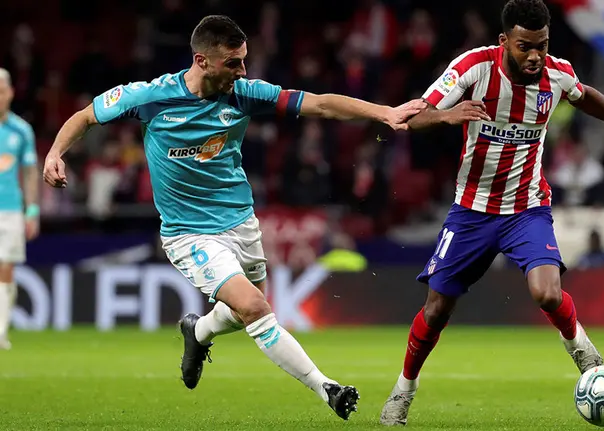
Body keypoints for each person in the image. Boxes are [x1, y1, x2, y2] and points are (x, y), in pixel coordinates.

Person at [42, 15, 425, 421]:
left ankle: (198, 331)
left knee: (242, 315)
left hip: (241, 223)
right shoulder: (150, 96)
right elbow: (85, 116)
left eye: (244, 61)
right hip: (189, 233)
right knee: (256, 307)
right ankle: (326, 387)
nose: (242, 71)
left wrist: (383, 112)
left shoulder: (244, 94)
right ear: (202, 60)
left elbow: (320, 103)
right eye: (233, 63)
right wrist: (54, 153)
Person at [378, 0, 604, 426]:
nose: (535, 55)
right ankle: (403, 391)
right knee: (435, 311)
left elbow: (588, 98)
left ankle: (585, 354)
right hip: (471, 210)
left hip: (526, 207)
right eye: (525, 47)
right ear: (505, 42)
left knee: (548, 293)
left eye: (541, 45)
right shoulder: (473, 68)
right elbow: (411, 117)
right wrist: (447, 116)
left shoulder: (556, 73)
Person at [0, 68, 39, 350]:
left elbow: (29, 173)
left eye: (1, 91)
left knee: (6, 269)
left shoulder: (21, 130)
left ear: (10, 92)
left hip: (11, 209)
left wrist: (32, 210)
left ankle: (0, 331)